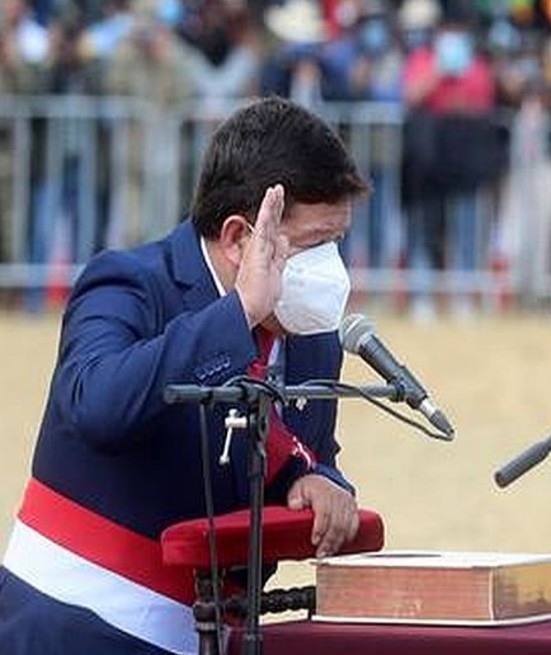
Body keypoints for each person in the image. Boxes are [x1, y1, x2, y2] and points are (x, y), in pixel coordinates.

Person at [0, 96, 370, 654]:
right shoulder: (128, 282)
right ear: (239, 237)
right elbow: (96, 405)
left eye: (336, 243)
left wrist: (318, 482)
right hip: (74, 625)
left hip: (220, 631)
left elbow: (303, 455)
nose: (331, 269)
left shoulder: (312, 335)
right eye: (314, 245)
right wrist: (236, 316)